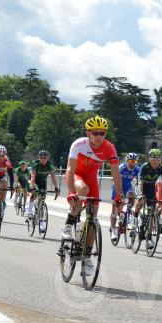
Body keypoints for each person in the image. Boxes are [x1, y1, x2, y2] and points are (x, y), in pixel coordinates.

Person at [62, 116, 122, 276]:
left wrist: (118, 197)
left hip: (92, 180)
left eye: (102, 133)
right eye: (95, 133)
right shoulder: (79, 144)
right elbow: (70, 170)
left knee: (93, 220)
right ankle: (69, 222)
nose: (98, 137)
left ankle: (87, 257)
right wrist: (72, 192)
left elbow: (116, 175)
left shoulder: (109, 148)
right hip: (76, 177)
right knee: (83, 189)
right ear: (88, 133)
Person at [134, 149, 162, 250]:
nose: (156, 161)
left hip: (152, 189)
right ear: (149, 159)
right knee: (141, 201)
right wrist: (140, 194)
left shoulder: (161, 168)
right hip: (142, 187)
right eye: (153, 159)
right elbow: (140, 182)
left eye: (158, 159)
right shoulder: (145, 167)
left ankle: (148, 237)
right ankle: (135, 217)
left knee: (151, 213)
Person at [109, 153, 140, 244]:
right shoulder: (122, 167)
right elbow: (114, 178)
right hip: (117, 186)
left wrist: (139, 192)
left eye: (135, 161)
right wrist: (119, 192)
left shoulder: (137, 169)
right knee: (115, 208)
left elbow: (139, 182)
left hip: (127, 186)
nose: (133, 163)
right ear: (127, 161)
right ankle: (113, 229)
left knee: (132, 196)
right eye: (131, 161)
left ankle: (128, 212)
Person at [27, 150, 60, 219]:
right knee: (35, 193)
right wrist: (33, 186)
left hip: (43, 182)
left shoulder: (50, 166)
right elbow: (33, 176)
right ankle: (29, 211)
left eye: (45, 158)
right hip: (35, 180)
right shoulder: (35, 165)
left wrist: (56, 187)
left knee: (42, 198)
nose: (43, 159)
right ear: (39, 158)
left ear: (48, 159)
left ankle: (41, 219)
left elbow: (53, 177)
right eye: (41, 158)